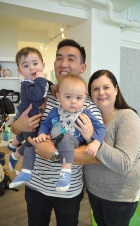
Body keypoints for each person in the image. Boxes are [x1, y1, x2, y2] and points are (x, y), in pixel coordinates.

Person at [10, 39, 103, 226]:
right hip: (35, 186)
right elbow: (16, 128)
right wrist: (18, 126)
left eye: (71, 59)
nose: (64, 63)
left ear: (82, 66)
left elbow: (96, 156)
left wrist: (53, 154)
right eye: (59, 58)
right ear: (53, 64)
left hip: (68, 191)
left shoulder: (88, 108)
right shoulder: (43, 93)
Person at [83, 69, 140, 226]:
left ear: (116, 89)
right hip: (95, 191)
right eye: (95, 89)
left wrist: (92, 138)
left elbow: (124, 163)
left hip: (119, 196)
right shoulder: (90, 119)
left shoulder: (127, 117)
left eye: (106, 87)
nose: (101, 92)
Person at [33, 74, 105, 192]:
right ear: (58, 97)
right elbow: (45, 124)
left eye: (78, 98)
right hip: (54, 141)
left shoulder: (85, 113)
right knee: (56, 133)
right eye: (67, 97)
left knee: (65, 137)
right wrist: (42, 134)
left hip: (73, 141)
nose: (73, 102)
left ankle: (65, 171)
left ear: (85, 98)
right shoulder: (55, 111)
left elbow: (101, 128)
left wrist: (95, 143)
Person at [8, 47, 54, 189]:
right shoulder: (26, 84)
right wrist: (40, 77)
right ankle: (26, 169)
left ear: (43, 65)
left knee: (31, 139)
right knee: (30, 142)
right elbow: (37, 95)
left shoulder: (44, 83)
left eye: (35, 63)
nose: (32, 68)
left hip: (35, 119)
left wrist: (52, 85)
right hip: (28, 117)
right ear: (20, 71)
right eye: (26, 66)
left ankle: (14, 151)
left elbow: (47, 87)